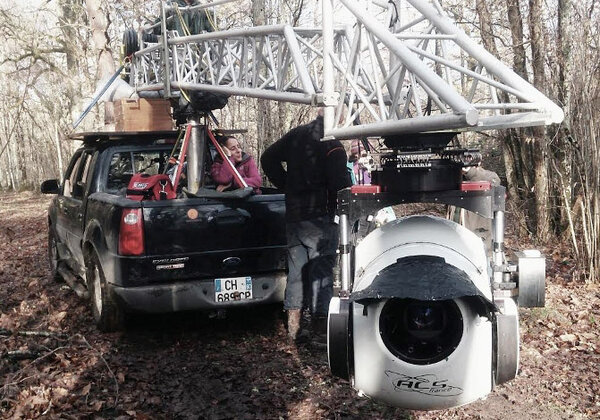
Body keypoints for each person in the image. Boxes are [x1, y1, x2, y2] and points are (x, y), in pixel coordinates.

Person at [261, 109, 352, 345]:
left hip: (294, 216)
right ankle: (320, 332)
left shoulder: (297, 134)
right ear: (337, 115)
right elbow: (341, 185)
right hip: (320, 218)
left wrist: (287, 185)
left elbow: (267, 158)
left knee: (297, 273)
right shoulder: (333, 145)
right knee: (321, 274)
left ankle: (294, 328)